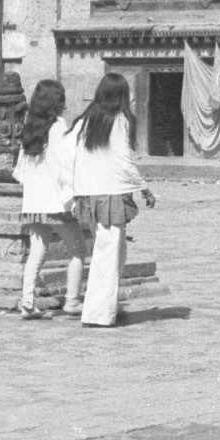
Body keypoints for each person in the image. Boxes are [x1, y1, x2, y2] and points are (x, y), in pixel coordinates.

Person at [68, 73, 156, 327]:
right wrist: (144, 188)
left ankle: (108, 307)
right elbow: (123, 160)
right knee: (107, 256)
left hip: (90, 194)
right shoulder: (119, 121)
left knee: (113, 253)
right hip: (109, 195)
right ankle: (98, 314)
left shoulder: (84, 121)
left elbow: (71, 156)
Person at [12, 79, 84, 319]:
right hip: (55, 202)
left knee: (36, 253)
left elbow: (20, 171)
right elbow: (66, 164)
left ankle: (27, 303)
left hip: (34, 203)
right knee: (78, 250)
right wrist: (72, 196)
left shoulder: (30, 128)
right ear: (56, 103)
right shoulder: (58, 127)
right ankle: (72, 300)